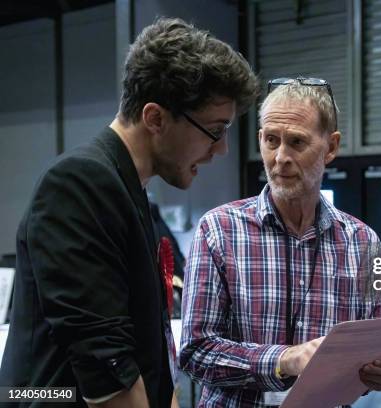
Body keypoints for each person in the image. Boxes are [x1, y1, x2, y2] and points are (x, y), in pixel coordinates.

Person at [0, 17, 258, 407]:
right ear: (155, 118)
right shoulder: (79, 184)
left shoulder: (130, 191)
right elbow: (108, 369)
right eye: (215, 130)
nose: (220, 149)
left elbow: (148, 348)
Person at [180, 77, 381, 407]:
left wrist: (377, 371)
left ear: (331, 147)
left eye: (297, 142)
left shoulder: (360, 242)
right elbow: (196, 351)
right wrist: (283, 360)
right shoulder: (219, 231)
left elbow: (366, 357)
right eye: (271, 140)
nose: (280, 156)